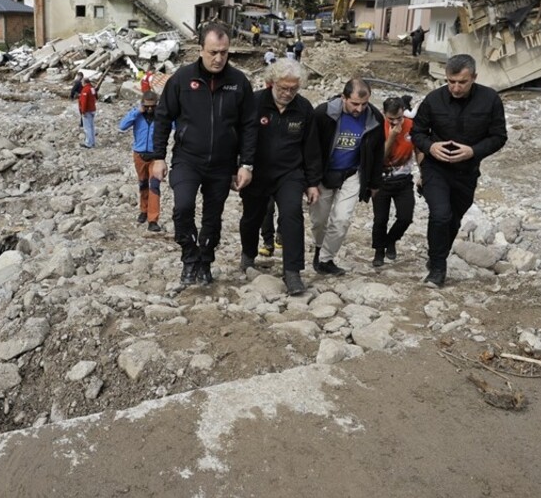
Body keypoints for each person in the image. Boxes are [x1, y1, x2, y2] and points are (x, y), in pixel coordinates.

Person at [145, 20, 257, 287]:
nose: (219, 58)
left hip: (222, 163)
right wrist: (158, 157)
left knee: (212, 218)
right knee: (182, 208)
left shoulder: (239, 83)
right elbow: (162, 117)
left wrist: (247, 164)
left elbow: (249, 126)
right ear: (201, 50)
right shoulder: (182, 80)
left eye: (224, 52)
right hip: (187, 159)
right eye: (213, 52)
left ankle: (205, 261)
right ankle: (189, 257)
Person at [411, 53, 507, 287]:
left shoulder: (490, 99)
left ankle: (437, 255)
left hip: (467, 171)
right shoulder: (433, 100)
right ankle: (437, 268)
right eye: (450, 81)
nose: (455, 87)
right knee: (440, 214)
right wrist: (431, 147)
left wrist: (473, 151)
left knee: (453, 220)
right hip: (435, 169)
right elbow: (417, 133)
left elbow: (499, 137)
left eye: (461, 82)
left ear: (474, 77)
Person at [237, 59, 321, 296]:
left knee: (292, 215)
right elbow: (239, 139)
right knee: (251, 217)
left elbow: (311, 148)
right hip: (256, 172)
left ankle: (292, 272)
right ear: (271, 82)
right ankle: (248, 255)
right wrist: (238, 168)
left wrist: (312, 182)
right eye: (283, 88)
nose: (287, 93)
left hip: (289, 173)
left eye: (293, 89)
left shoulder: (304, 108)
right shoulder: (253, 103)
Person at [309, 78, 384, 275]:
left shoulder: (375, 119)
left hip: (351, 174)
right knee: (319, 220)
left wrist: (375, 183)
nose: (359, 109)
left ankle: (325, 259)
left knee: (341, 220)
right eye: (355, 104)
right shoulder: (323, 114)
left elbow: (377, 153)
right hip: (323, 174)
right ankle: (319, 247)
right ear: (343, 97)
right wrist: (310, 180)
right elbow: (310, 148)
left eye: (364, 104)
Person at [371, 95, 417, 267]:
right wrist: (391, 137)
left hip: (403, 178)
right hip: (382, 179)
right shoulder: (377, 127)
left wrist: (424, 173)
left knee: (406, 217)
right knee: (380, 219)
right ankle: (378, 251)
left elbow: (418, 149)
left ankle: (391, 240)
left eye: (399, 118)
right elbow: (379, 159)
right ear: (384, 114)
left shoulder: (411, 126)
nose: (396, 122)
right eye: (391, 119)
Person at [119, 90, 164, 232]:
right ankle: (143, 210)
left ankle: (153, 219)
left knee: (154, 186)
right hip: (139, 155)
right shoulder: (137, 116)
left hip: (156, 157)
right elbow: (122, 126)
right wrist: (136, 112)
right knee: (143, 184)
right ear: (143, 104)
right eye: (147, 106)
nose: (150, 109)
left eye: (153, 106)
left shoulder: (161, 117)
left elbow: (175, 125)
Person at [78, 76, 97, 148]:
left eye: (82, 82)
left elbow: (84, 101)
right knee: (91, 126)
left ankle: (88, 143)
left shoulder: (85, 90)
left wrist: (83, 111)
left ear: (84, 82)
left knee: (87, 127)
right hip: (92, 109)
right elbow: (95, 97)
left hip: (87, 111)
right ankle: (92, 142)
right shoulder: (92, 88)